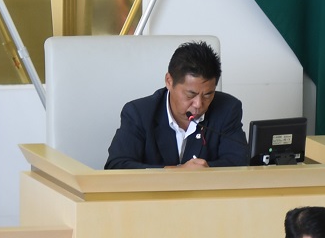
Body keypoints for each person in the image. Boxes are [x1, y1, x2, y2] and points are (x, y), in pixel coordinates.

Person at [104, 41, 248, 169]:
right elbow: (116, 165)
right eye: (190, 95)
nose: (198, 104)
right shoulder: (139, 113)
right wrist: (176, 172)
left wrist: (208, 168)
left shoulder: (228, 109)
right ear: (169, 81)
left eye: (208, 95)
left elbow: (240, 163)